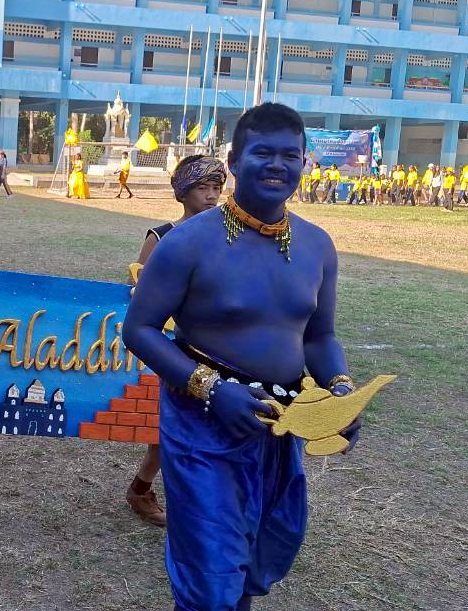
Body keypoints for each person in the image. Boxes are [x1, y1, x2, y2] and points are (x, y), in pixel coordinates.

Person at [123, 102, 363, 611]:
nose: (278, 165)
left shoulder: (318, 246)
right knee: (210, 577)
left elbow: (319, 337)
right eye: (263, 153)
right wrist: (211, 390)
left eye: (290, 155)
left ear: (304, 162)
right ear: (233, 161)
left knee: (255, 559)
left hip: (278, 427)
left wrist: (340, 391)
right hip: (202, 428)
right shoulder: (187, 242)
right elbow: (138, 329)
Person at [125, 155, 227, 528]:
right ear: (183, 192)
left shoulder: (227, 236)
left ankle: (150, 489)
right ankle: (145, 490)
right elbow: (139, 290)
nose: (211, 195)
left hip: (212, 345)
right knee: (168, 423)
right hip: (167, 347)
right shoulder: (162, 236)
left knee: (199, 424)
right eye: (203, 188)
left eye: (216, 188)